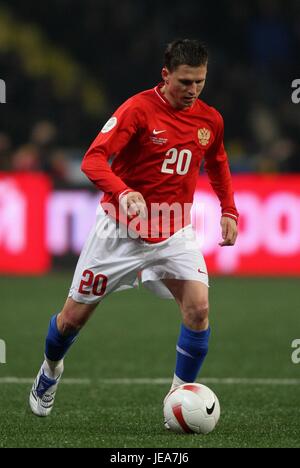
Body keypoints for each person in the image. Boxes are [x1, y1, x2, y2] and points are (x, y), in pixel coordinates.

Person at [29, 39, 238, 422]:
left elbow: (218, 162)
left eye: (200, 82)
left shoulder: (210, 120)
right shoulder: (138, 110)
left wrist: (229, 210)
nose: (193, 90)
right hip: (118, 233)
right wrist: (123, 191)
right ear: (165, 75)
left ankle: (178, 399)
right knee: (71, 319)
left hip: (174, 230)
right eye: (185, 82)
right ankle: (50, 369)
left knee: (199, 309)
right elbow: (93, 159)